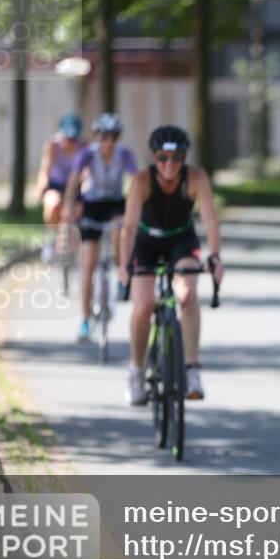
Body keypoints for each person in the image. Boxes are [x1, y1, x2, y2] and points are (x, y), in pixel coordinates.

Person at [118, 126, 224, 405]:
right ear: (153, 157)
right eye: (162, 158)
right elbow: (128, 228)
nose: (169, 165)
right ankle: (136, 371)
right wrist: (125, 264)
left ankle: (191, 369)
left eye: (176, 158)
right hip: (146, 241)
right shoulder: (142, 181)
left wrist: (214, 257)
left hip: (181, 239)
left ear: (184, 158)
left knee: (187, 295)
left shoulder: (196, 178)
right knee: (143, 305)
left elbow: (211, 219)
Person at [62, 113, 138, 341]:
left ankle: (121, 274)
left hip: (115, 204)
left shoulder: (125, 154)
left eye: (114, 137)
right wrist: (68, 208)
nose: (109, 142)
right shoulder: (87, 154)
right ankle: (85, 320)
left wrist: (137, 207)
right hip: (92, 204)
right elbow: (73, 182)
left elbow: (136, 181)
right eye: (104, 137)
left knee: (119, 232)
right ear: (97, 138)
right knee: (88, 265)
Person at [36, 114, 84, 261]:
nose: (69, 142)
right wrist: (41, 185)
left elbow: (87, 173)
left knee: (76, 212)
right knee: (52, 205)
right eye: (67, 137)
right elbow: (45, 169)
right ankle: (51, 240)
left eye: (73, 139)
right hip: (56, 185)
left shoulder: (83, 147)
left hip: (75, 186)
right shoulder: (53, 146)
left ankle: (74, 247)